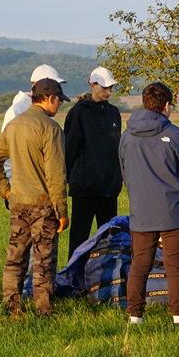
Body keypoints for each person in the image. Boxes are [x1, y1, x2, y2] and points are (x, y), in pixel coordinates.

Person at [0, 78, 70, 317]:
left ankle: (11, 306)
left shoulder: (14, 124)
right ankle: (43, 309)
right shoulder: (50, 128)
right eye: (59, 101)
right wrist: (62, 211)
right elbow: (55, 175)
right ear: (50, 98)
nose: (59, 106)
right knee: (44, 259)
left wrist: (7, 191)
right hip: (44, 205)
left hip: (18, 201)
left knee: (15, 257)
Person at [119, 82, 179, 327]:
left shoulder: (126, 136)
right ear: (167, 105)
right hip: (173, 212)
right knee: (175, 266)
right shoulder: (176, 135)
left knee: (139, 266)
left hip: (141, 213)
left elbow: (125, 172)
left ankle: (135, 317)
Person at [63, 66, 122, 257]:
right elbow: (70, 148)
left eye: (110, 87)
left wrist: (116, 179)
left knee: (110, 241)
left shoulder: (114, 113)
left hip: (109, 190)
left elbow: (117, 149)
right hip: (85, 189)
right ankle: (73, 281)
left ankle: (107, 282)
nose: (108, 92)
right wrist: (69, 178)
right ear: (92, 84)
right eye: (104, 87)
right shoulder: (78, 112)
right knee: (79, 240)